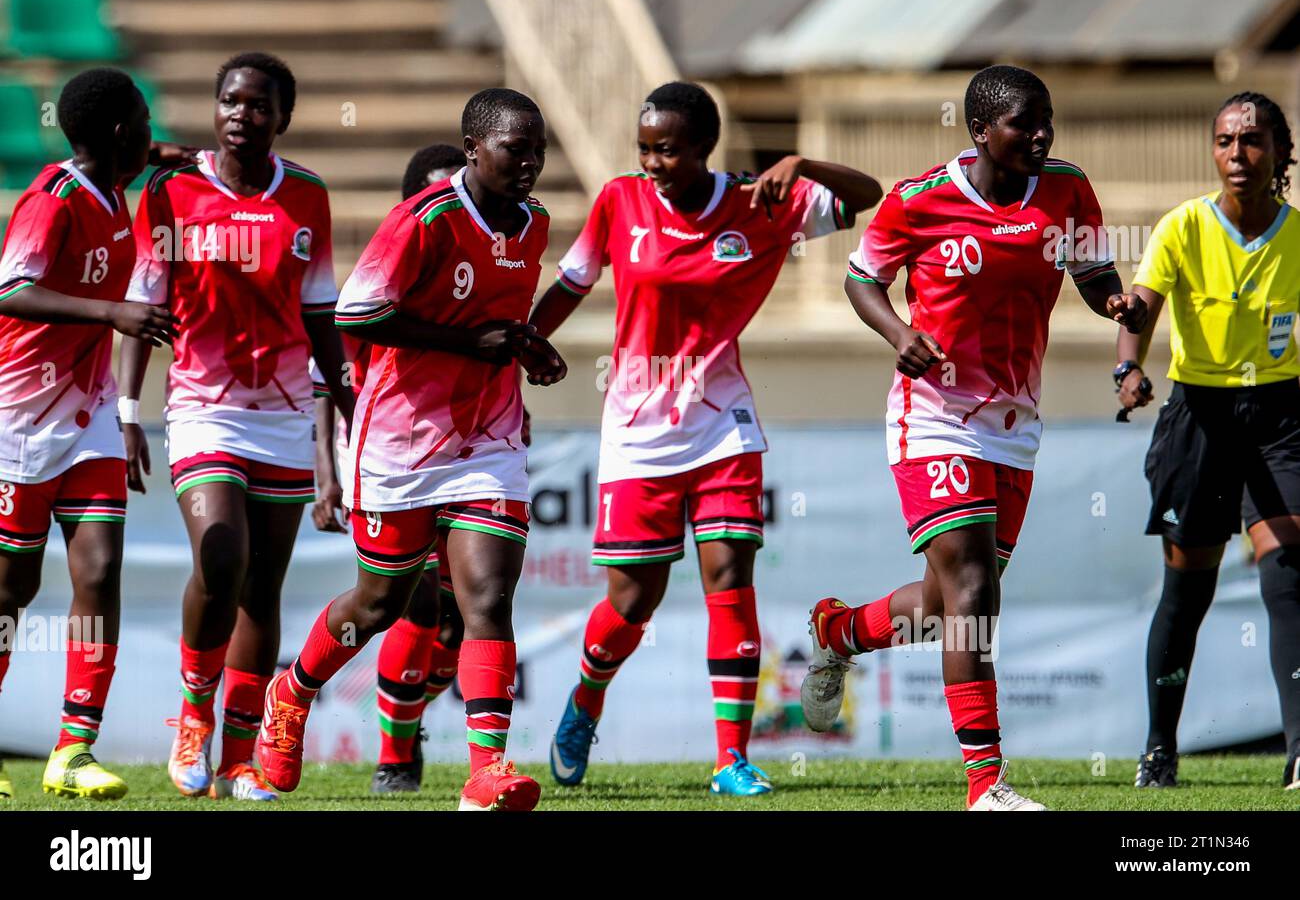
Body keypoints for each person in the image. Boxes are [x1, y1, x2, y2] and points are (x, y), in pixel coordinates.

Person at [800, 65, 1147, 810]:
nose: (1041, 134)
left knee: (942, 603)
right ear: (980, 130)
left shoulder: (1066, 188)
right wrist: (899, 332)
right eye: (1025, 122)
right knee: (974, 592)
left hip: (1014, 426)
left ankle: (840, 631)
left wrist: (1112, 300)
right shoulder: (919, 200)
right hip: (933, 417)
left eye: (1047, 119)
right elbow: (863, 278)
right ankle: (986, 787)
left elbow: (1092, 270)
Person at [532, 81, 882, 796]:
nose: (653, 163)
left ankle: (731, 759)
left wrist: (806, 164)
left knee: (731, 581)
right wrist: (527, 344)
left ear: (702, 148)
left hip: (723, 426)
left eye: (668, 150)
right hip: (637, 432)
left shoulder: (761, 203)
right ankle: (584, 701)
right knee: (633, 603)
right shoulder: (619, 203)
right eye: (645, 149)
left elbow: (869, 194)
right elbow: (571, 281)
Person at [255, 88, 566, 812]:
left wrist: (525, 348)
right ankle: (291, 691)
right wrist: (468, 342)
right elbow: (358, 313)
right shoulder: (422, 220)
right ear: (472, 149)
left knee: (488, 595)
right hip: (399, 440)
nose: (529, 162)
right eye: (514, 148)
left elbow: (495, 318)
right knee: (380, 603)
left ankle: (486, 771)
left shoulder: (536, 223)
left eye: (537, 149)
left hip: (488, 436)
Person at [119, 51, 354, 802]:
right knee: (221, 558)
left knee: (262, 587)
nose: (240, 115)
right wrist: (127, 411)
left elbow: (321, 314)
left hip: (283, 416)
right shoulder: (172, 191)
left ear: (282, 118)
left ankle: (239, 757)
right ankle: (193, 717)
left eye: (257, 105)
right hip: (201, 409)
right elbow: (142, 302)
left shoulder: (308, 197)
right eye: (229, 100)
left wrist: (348, 411)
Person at [0, 68, 176, 799]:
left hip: (90, 415)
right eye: (142, 122)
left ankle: (73, 748)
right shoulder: (54, 201)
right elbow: (9, 289)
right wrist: (110, 314)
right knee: (12, 588)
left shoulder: (112, 185)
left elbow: (152, 149)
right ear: (114, 135)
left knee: (99, 571)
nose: (149, 132)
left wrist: (186, 157)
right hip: (18, 417)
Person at [1117, 91, 1300, 790]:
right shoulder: (1183, 226)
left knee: (1288, 574)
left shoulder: (1295, 233)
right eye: (1224, 141)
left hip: (1280, 415)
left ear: (1281, 152)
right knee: (1187, 589)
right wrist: (1128, 366)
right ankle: (1160, 750)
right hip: (1199, 416)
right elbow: (1141, 307)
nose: (1236, 154)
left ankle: (1298, 754)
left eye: (1252, 141)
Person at [310, 142, 470, 794]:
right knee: (412, 603)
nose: (443, 207)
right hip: (387, 458)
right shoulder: (375, 283)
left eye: (452, 194)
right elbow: (329, 381)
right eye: (430, 194)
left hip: (468, 453)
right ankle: (395, 757)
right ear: (409, 203)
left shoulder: (480, 268)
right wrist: (327, 473)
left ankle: (406, 727)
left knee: (459, 623)